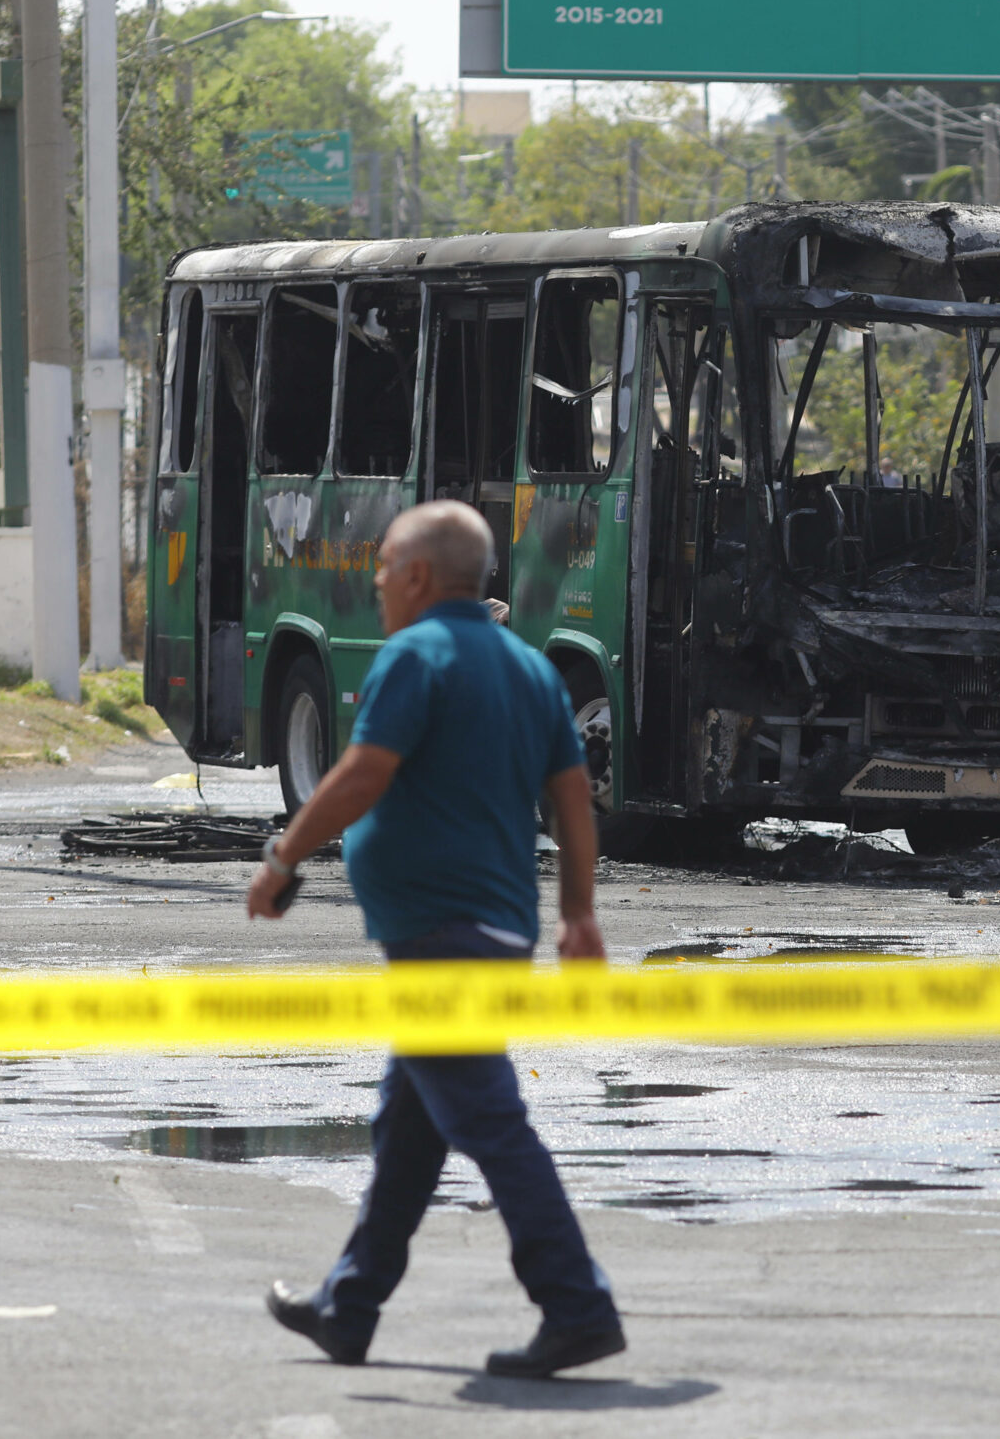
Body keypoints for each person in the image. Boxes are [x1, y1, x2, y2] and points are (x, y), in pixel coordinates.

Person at [249, 500, 624, 1380]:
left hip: (442, 933)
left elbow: (361, 773)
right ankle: (348, 1307)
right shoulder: (528, 666)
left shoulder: (415, 654)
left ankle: (577, 1303)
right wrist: (578, 912)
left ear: (418, 576)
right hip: (494, 926)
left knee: (489, 1120)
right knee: (410, 1126)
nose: (378, 582)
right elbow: (573, 798)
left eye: (384, 567)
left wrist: (283, 857)